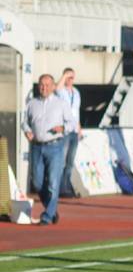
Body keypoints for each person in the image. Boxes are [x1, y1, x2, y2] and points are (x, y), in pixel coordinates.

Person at [22, 74, 75, 225]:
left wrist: (62, 128)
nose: (44, 88)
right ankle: (51, 210)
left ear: (53, 86)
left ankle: (46, 216)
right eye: (41, 85)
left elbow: (72, 123)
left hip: (55, 146)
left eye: (47, 85)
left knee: (53, 182)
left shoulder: (61, 104)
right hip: (37, 146)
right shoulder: (32, 103)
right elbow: (24, 122)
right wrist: (27, 130)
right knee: (37, 183)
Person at [55, 67, 81, 198]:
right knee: (62, 161)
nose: (71, 80)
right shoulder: (61, 92)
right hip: (65, 129)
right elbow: (57, 88)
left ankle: (65, 187)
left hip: (74, 130)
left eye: (72, 77)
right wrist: (64, 76)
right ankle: (58, 188)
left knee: (70, 162)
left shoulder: (76, 92)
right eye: (68, 77)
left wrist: (79, 129)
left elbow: (77, 112)